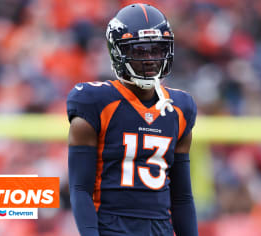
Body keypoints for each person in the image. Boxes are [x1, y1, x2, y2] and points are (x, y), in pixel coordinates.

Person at [67, 3, 198, 236]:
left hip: (161, 230)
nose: (150, 59)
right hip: (111, 228)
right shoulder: (95, 102)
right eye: (139, 51)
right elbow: (80, 188)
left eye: (157, 50)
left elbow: (182, 197)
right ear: (117, 51)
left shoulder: (180, 108)